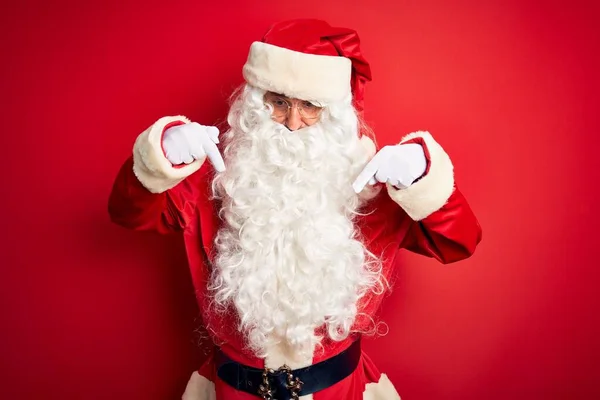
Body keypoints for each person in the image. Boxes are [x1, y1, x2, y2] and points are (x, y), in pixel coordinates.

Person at [108, 18, 482, 400]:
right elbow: (127, 212)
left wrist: (421, 176)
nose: (291, 122)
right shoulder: (214, 179)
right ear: (256, 104)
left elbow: (460, 242)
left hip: (339, 392)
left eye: (311, 106)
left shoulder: (374, 188)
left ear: (335, 114)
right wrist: (162, 154)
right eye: (279, 102)